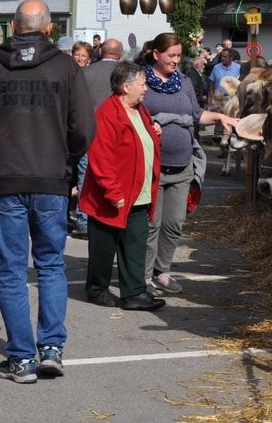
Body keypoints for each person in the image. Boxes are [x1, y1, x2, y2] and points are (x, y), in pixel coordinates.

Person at [0, 0, 95, 384]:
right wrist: (67, 160)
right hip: (51, 176)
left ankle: (21, 359)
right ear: (49, 27)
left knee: (11, 270)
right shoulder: (66, 66)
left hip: (5, 177)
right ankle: (51, 348)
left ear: (12, 25)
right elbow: (84, 128)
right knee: (51, 263)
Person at [140, 32, 238, 297]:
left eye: (179, 56)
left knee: (174, 223)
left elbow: (196, 115)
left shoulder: (182, 82)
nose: (175, 60)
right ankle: (145, 277)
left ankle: (163, 271)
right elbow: (130, 115)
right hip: (153, 166)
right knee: (152, 224)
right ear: (155, 54)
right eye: (171, 55)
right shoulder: (141, 83)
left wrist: (219, 118)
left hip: (182, 164)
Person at [80, 62, 164, 311]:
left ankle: (134, 292)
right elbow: (100, 158)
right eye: (142, 83)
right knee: (103, 249)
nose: (146, 88)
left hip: (137, 193)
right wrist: (113, 192)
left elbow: (140, 141)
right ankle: (97, 289)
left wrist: (154, 130)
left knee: (135, 246)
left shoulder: (140, 110)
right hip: (112, 197)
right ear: (126, 87)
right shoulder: (107, 114)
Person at [72, 38, 124, 237]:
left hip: (91, 131)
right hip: (118, 132)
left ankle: (84, 220)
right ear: (120, 54)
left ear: (101, 52)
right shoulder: (127, 74)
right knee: (116, 175)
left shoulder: (86, 73)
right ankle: (114, 215)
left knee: (86, 175)